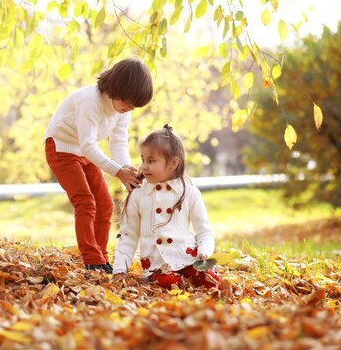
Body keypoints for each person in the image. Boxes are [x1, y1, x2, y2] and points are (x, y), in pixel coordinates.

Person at [44, 58, 154, 273]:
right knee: (85, 202)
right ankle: (91, 259)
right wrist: (117, 171)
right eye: (128, 102)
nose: (130, 108)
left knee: (105, 204)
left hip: (85, 153)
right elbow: (87, 144)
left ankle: (101, 258)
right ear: (116, 89)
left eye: (134, 106)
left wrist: (126, 171)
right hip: (61, 148)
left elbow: (118, 141)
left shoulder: (123, 109)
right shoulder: (90, 101)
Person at [112, 125, 220, 289]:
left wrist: (204, 251)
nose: (144, 166)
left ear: (173, 163)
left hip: (188, 257)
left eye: (151, 160)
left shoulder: (189, 192)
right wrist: (120, 270)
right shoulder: (138, 195)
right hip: (157, 265)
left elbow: (204, 232)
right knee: (169, 283)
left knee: (209, 280)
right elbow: (128, 236)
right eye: (143, 160)